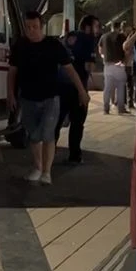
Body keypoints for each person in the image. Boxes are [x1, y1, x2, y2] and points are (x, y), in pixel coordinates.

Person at [8, 10, 89, 185]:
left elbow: (70, 69)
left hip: (50, 97)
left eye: (35, 27)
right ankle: (37, 167)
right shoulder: (20, 46)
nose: (31, 31)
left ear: (42, 26)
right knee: (33, 134)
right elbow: (12, 71)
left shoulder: (53, 45)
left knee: (47, 133)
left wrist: (81, 91)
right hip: (28, 98)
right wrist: (11, 94)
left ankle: (46, 171)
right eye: (28, 27)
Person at [55, 14, 100, 164]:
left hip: (61, 85)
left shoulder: (68, 36)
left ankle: (49, 151)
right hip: (78, 86)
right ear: (88, 27)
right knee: (77, 122)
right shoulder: (89, 40)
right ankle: (74, 155)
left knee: (57, 121)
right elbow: (89, 66)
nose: (98, 30)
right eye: (96, 26)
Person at [99, 22, 129, 115]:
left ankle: (106, 109)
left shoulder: (104, 36)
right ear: (119, 27)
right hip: (119, 64)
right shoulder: (122, 37)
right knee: (120, 87)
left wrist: (104, 57)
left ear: (111, 27)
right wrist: (125, 61)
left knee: (107, 87)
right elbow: (126, 50)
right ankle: (120, 108)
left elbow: (100, 49)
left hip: (107, 64)